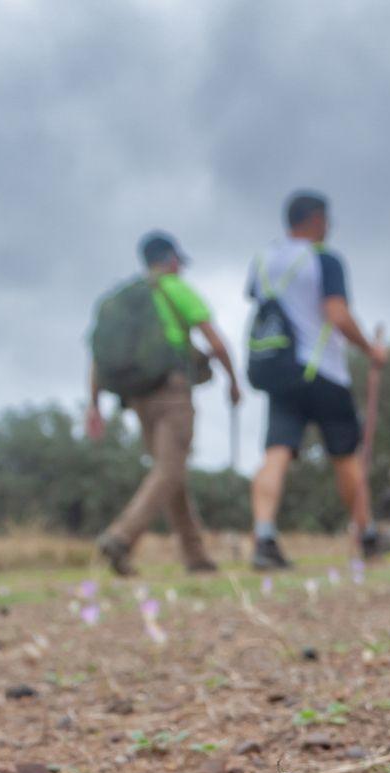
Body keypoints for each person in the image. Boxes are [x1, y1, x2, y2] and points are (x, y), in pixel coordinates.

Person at [245, 191, 390, 570]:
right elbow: (337, 314)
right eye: (327, 221)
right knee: (346, 456)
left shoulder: (262, 262)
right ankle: (367, 534)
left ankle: (263, 536)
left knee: (276, 453)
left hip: (280, 371)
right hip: (323, 369)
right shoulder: (324, 259)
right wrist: (370, 351)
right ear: (316, 220)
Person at [88, 231, 241, 576]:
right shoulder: (174, 288)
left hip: (137, 396)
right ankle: (121, 536)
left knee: (171, 472)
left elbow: (98, 357)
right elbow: (215, 342)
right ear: (171, 260)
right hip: (172, 392)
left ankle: (195, 555)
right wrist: (233, 381)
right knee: (170, 469)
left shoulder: (122, 302)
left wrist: (94, 403)